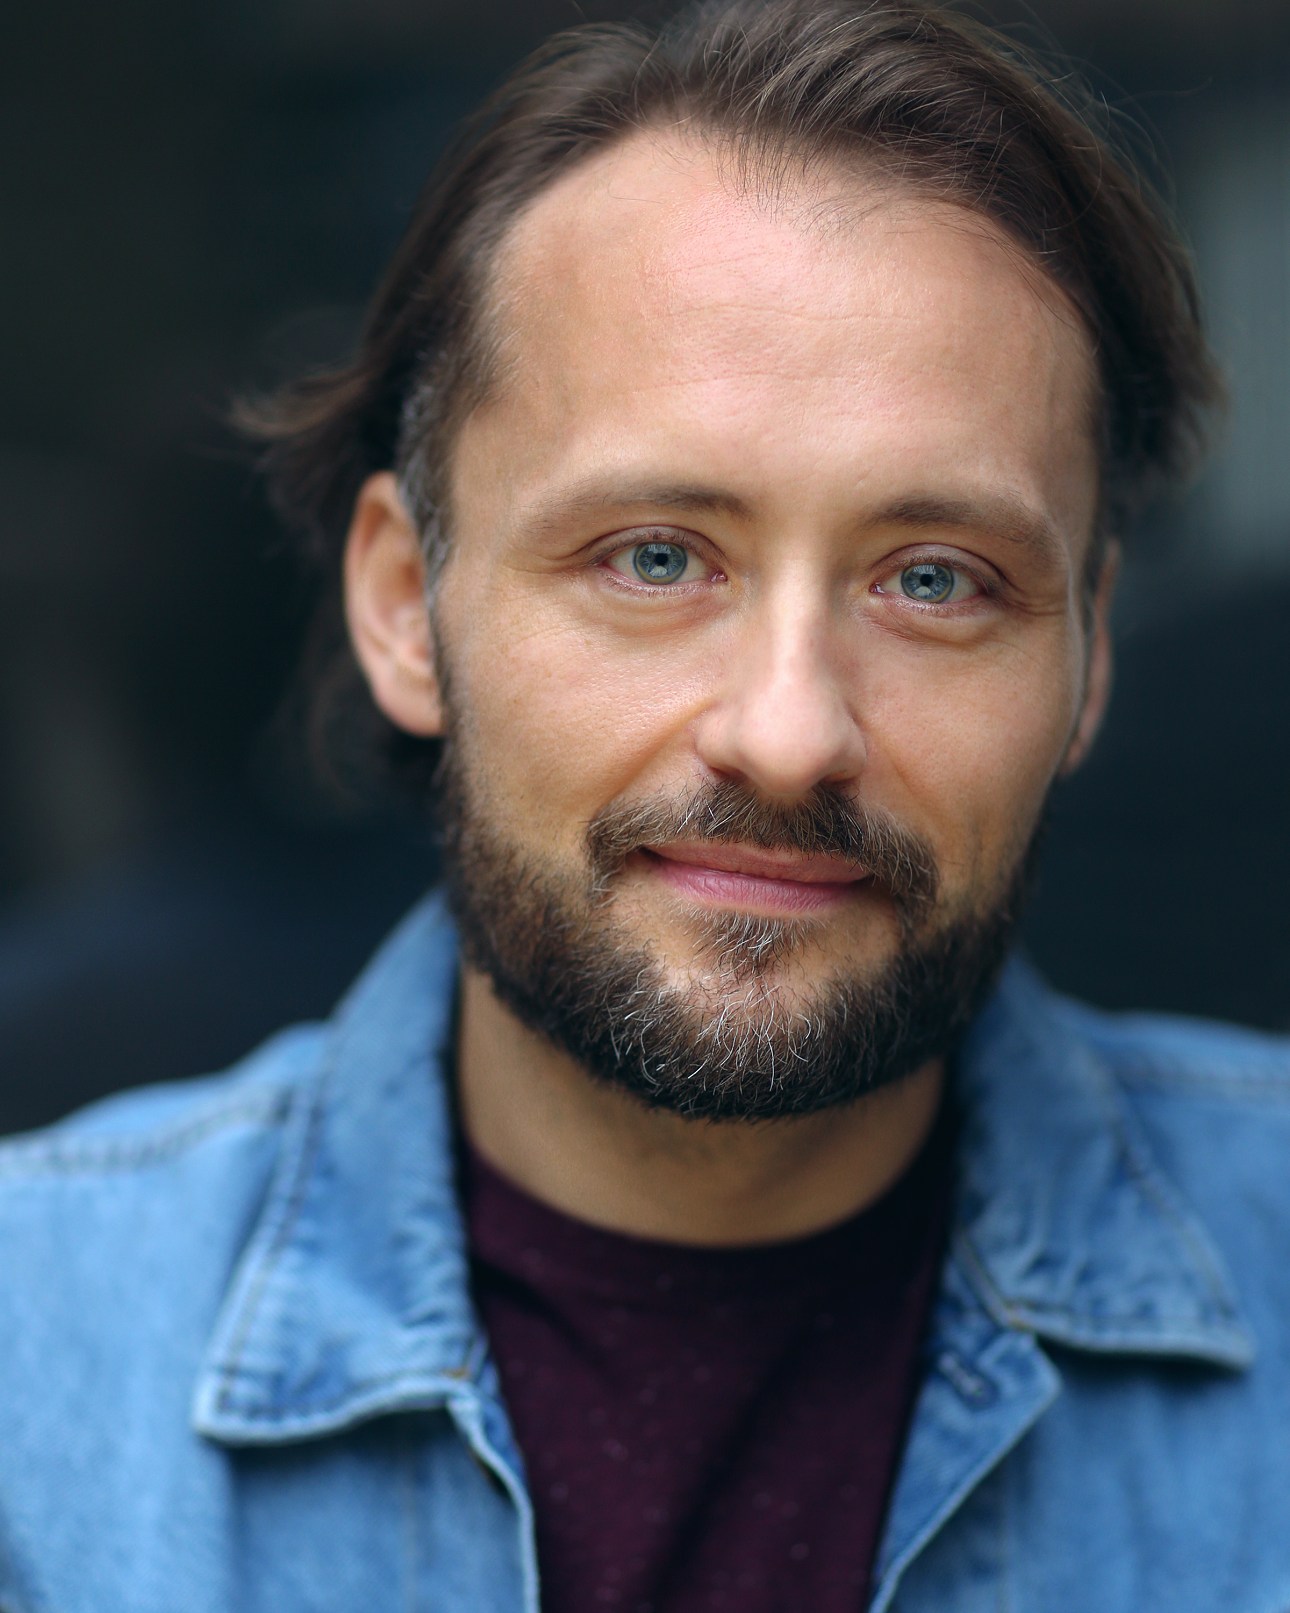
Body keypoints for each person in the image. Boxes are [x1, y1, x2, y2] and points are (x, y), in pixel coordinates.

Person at [2, 2, 1287, 1609]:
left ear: (1086, 656)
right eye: (655, 557)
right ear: (403, 605)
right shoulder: (34, 1376)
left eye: (934, 580)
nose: (787, 731)